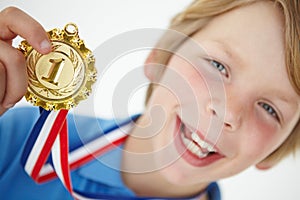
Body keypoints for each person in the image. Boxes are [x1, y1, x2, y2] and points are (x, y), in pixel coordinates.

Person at [0, 0, 299, 199]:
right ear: (161, 58)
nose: (229, 112)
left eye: (270, 109)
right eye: (218, 66)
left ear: (275, 150)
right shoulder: (18, 138)